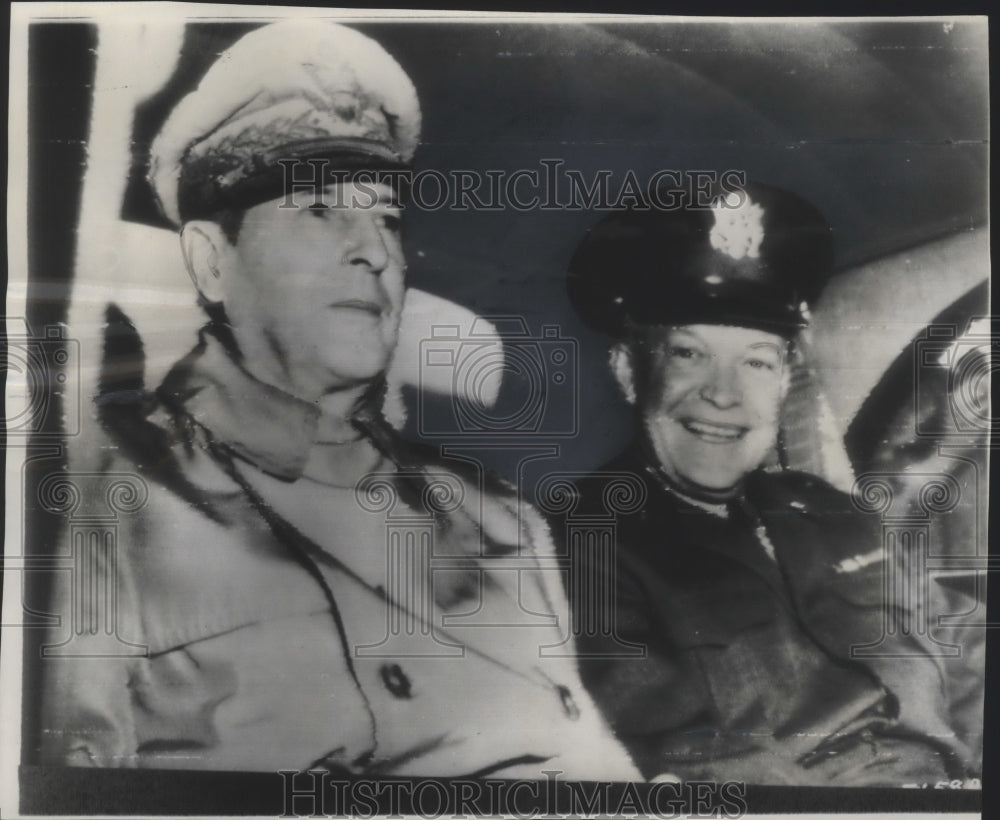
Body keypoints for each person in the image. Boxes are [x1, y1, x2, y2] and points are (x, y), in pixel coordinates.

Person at [39, 20, 637, 780]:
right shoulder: (90, 510)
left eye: (386, 214)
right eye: (319, 208)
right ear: (211, 261)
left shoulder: (500, 516)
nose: (375, 248)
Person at [557, 182, 981, 785]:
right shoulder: (576, 545)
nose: (725, 394)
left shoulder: (830, 511)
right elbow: (681, 765)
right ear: (629, 371)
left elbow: (966, 650)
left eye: (756, 360)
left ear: (783, 385)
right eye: (688, 354)